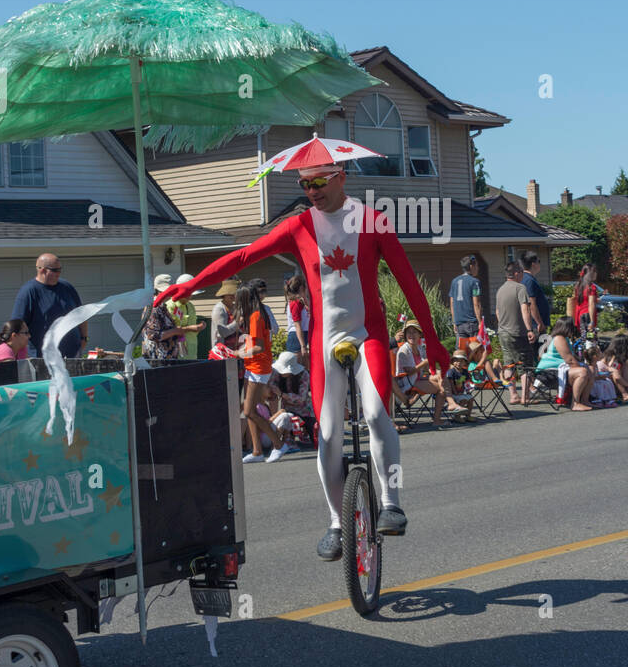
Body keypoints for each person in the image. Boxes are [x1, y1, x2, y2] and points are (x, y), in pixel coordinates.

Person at [157, 155, 450, 560]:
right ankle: (334, 522)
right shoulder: (299, 226)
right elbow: (243, 257)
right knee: (327, 433)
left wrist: (433, 340)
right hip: (326, 342)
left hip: (368, 336)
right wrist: (192, 287)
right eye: (305, 186)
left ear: (340, 178)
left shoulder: (372, 221)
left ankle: (392, 502)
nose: (312, 192)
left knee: (376, 414)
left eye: (319, 183)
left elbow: (407, 281)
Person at [236, 282, 293, 463]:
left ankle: (278, 444)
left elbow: (258, 346)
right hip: (254, 367)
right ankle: (257, 451)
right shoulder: (257, 314)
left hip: (258, 368)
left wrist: (238, 352)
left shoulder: (255, 316)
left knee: (249, 411)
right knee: (250, 410)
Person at [11, 252, 87, 358]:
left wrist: (84, 338)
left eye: (60, 269)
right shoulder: (29, 292)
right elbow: (17, 326)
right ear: (43, 270)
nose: (59, 273)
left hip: (72, 354)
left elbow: (81, 313)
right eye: (55, 270)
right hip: (44, 358)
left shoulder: (67, 287)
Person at [395, 322, 458, 425]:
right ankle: (445, 410)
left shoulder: (420, 348)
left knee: (441, 376)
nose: (411, 335)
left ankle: (450, 404)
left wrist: (440, 371)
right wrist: (424, 362)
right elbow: (409, 371)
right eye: (409, 333)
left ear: (420, 335)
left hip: (418, 378)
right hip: (408, 382)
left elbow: (428, 368)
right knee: (441, 389)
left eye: (414, 332)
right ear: (405, 335)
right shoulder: (404, 350)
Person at [495, 260, 537, 404]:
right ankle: (525, 397)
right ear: (517, 273)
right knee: (524, 365)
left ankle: (513, 395)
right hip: (518, 332)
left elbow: (497, 312)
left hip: (503, 332)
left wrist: (503, 324)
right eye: (521, 273)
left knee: (508, 363)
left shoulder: (500, 290)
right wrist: (529, 329)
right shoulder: (520, 288)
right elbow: (525, 309)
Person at [534, 319, 593, 411]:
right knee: (583, 372)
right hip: (548, 373)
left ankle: (584, 400)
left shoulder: (564, 339)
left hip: (557, 370)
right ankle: (575, 403)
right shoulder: (559, 338)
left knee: (590, 370)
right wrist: (582, 369)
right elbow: (570, 360)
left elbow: (573, 358)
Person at [143, 274, 186, 363]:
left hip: (167, 358)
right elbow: (152, 335)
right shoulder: (154, 308)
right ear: (158, 291)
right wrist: (175, 331)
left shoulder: (161, 306)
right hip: (159, 360)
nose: (168, 294)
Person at [165, 273, 206, 357]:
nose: (190, 296)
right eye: (187, 293)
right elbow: (167, 331)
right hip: (177, 354)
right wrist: (190, 328)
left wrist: (199, 327)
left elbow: (193, 328)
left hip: (192, 352)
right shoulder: (170, 306)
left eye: (191, 293)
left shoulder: (190, 306)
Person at [449, 255, 483, 352]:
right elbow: (476, 303)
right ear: (472, 266)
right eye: (477, 266)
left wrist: (454, 321)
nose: (478, 268)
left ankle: (461, 367)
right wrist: (480, 322)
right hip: (471, 322)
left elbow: (452, 302)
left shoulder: (454, 281)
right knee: (475, 351)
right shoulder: (475, 282)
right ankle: (474, 367)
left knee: (462, 351)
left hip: (459, 322)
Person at [520, 251, 551, 354]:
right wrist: (539, 322)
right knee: (541, 353)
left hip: (535, 325)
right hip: (536, 326)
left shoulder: (527, 279)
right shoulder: (528, 280)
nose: (539, 264)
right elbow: (531, 303)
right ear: (533, 264)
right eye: (539, 261)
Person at [284, 273, 310, 366]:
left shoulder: (302, 301)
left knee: (304, 369)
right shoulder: (295, 303)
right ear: (301, 288)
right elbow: (297, 325)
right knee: (295, 369)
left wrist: (306, 300)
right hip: (296, 337)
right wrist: (303, 346)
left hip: (303, 335)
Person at [211, 277, 241, 352]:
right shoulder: (219, 308)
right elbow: (222, 332)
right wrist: (238, 322)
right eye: (230, 292)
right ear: (224, 294)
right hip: (222, 353)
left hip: (236, 352)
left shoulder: (236, 307)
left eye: (235, 292)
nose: (233, 295)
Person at [444, 349, 475, 419]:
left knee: (471, 399)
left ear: (464, 362)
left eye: (461, 361)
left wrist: (469, 391)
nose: (459, 363)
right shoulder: (451, 371)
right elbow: (450, 383)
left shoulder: (465, 371)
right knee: (463, 400)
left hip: (462, 392)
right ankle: (457, 416)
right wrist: (455, 392)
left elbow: (467, 382)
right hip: (453, 394)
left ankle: (468, 415)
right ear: (452, 362)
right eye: (456, 361)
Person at [572, 264, 599, 344]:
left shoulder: (578, 285)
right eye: (594, 272)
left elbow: (581, 300)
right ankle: (589, 354)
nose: (596, 274)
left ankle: (582, 354)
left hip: (580, 315)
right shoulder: (591, 287)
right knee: (590, 340)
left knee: (583, 338)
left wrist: (595, 300)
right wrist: (592, 321)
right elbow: (591, 304)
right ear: (590, 274)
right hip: (588, 316)